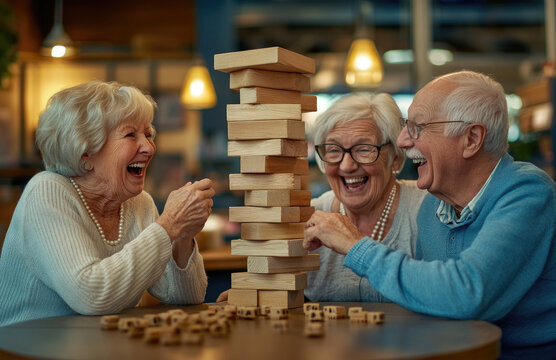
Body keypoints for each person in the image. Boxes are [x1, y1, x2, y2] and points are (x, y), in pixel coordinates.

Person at [303, 70, 556, 359]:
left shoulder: (528, 192)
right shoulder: (432, 209)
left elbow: (466, 293)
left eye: (417, 127)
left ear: (471, 139)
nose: (402, 141)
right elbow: (432, 300)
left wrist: (355, 247)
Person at [0, 81, 214, 326]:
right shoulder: (47, 191)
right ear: (85, 153)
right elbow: (92, 295)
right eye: (130, 135)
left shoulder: (139, 203)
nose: (148, 147)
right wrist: (168, 226)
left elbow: (187, 297)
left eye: (148, 134)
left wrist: (182, 235)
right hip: (25, 351)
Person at [305, 93, 426, 302]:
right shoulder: (307, 216)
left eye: (364, 149)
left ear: (396, 159)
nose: (347, 166)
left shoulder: (427, 209)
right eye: (333, 150)